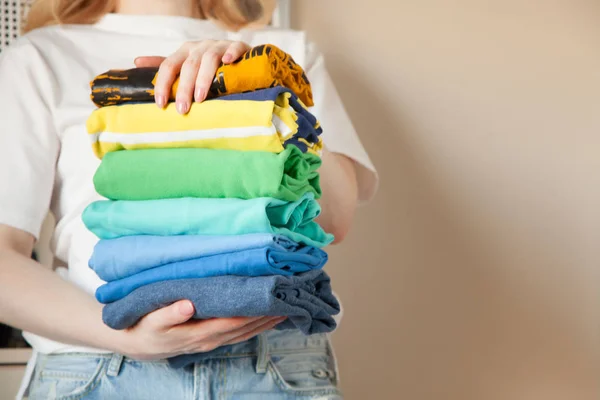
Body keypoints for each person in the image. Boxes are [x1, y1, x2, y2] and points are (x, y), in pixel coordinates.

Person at [0, 0, 377, 398]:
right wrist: (124, 333)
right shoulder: (40, 57)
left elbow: (333, 219)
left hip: (273, 365)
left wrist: (266, 87)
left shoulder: (282, 54)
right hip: (101, 367)